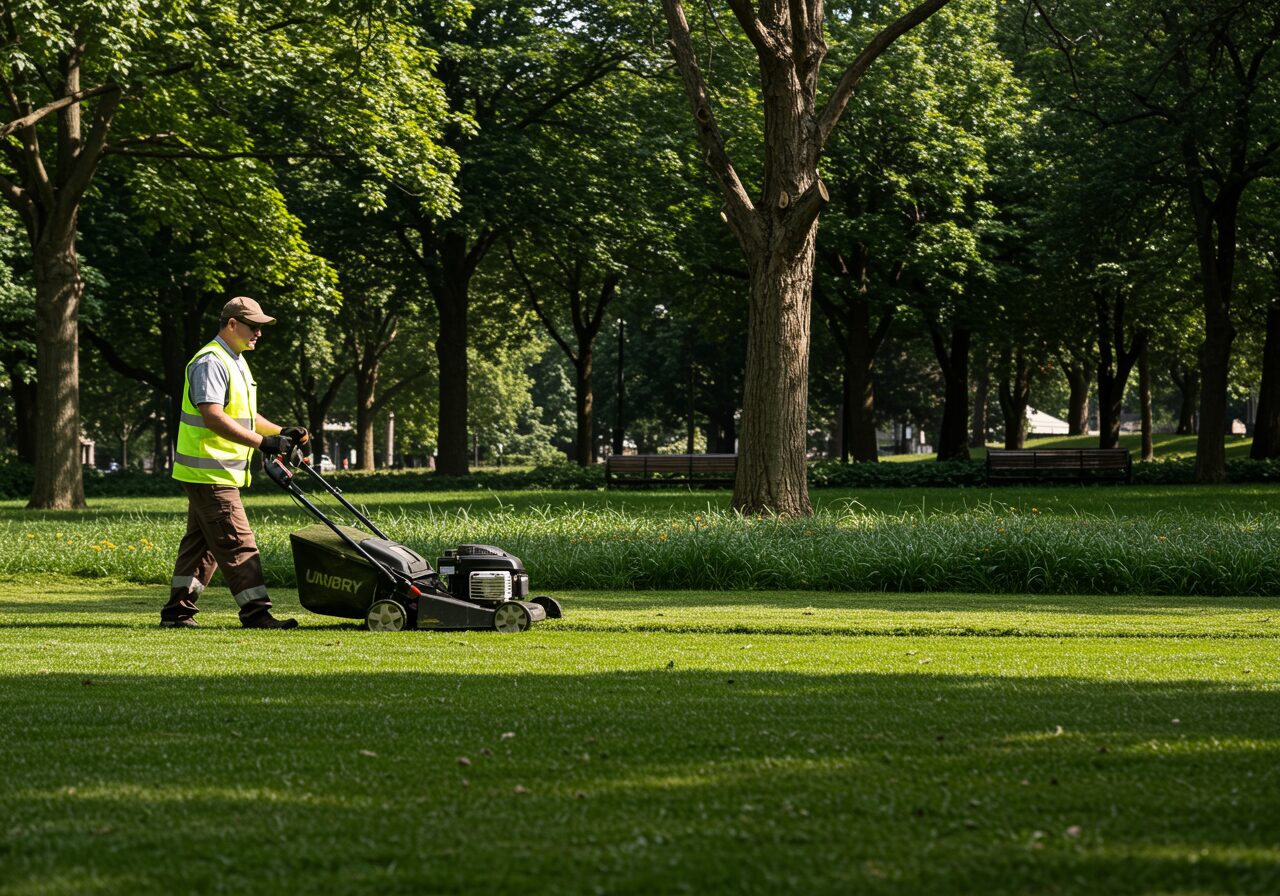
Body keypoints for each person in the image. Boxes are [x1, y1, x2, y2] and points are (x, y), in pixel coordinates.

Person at [160, 296, 310, 629]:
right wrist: (263, 443)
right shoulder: (211, 361)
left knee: (202, 546)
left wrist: (281, 432)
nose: (259, 333)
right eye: (253, 326)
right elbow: (213, 417)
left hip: (214, 472)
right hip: (209, 471)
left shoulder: (235, 360)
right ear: (232, 324)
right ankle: (257, 614)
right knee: (239, 544)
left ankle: (177, 613)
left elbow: (247, 416)